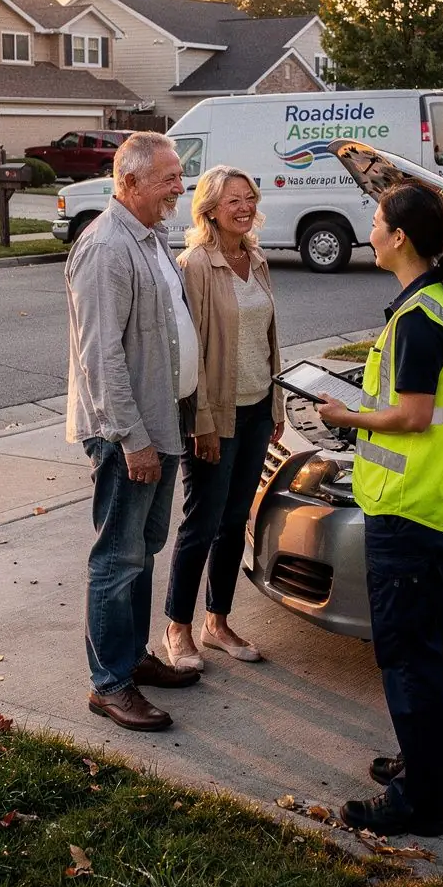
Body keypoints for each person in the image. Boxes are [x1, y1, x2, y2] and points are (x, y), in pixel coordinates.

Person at [316, 182, 443, 837]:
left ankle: (420, 803)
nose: (371, 231)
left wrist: (344, 416)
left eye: (377, 221)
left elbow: (412, 415)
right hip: (440, 502)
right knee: (435, 648)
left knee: (407, 655)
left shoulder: (417, 319)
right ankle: (438, 770)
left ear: (400, 237)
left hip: (408, 509)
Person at [65, 131, 202, 732]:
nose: (180, 187)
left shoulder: (151, 237)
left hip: (160, 423)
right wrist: (132, 438)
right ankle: (110, 683)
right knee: (117, 557)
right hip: (129, 433)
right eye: (169, 178)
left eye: (179, 176)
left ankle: (132, 656)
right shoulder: (105, 247)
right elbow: (101, 357)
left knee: (143, 551)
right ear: (129, 182)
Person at [163, 165, 284, 671]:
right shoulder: (195, 265)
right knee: (202, 522)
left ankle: (217, 622)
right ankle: (177, 627)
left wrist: (276, 405)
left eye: (249, 198)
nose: (245, 207)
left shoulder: (255, 258)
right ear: (210, 209)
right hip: (215, 415)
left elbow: (269, 337)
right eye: (234, 200)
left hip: (257, 408)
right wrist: (202, 422)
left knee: (235, 522)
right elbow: (189, 352)